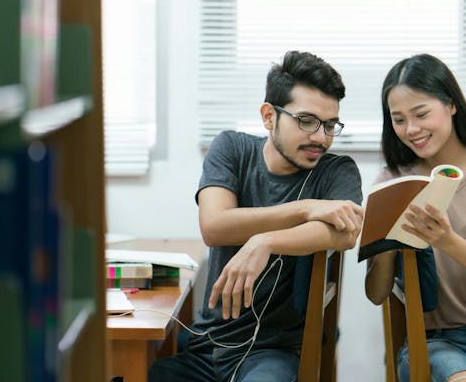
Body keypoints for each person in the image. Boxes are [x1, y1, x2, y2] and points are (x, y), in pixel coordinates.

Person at [148, 50, 364, 382]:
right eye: (306, 121)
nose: (321, 137)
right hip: (207, 344)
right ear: (268, 116)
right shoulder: (231, 148)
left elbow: (345, 232)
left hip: (274, 354)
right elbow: (215, 226)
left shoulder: (337, 171)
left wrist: (265, 241)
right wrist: (306, 208)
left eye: (330, 125)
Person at [364, 54, 466, 382]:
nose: (411, 129)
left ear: (452, 105)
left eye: (421, 114)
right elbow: (376, 293)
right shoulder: (393, 180)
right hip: (437, 342)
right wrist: (384, 240)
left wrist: (447, 241)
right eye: (398, 120)